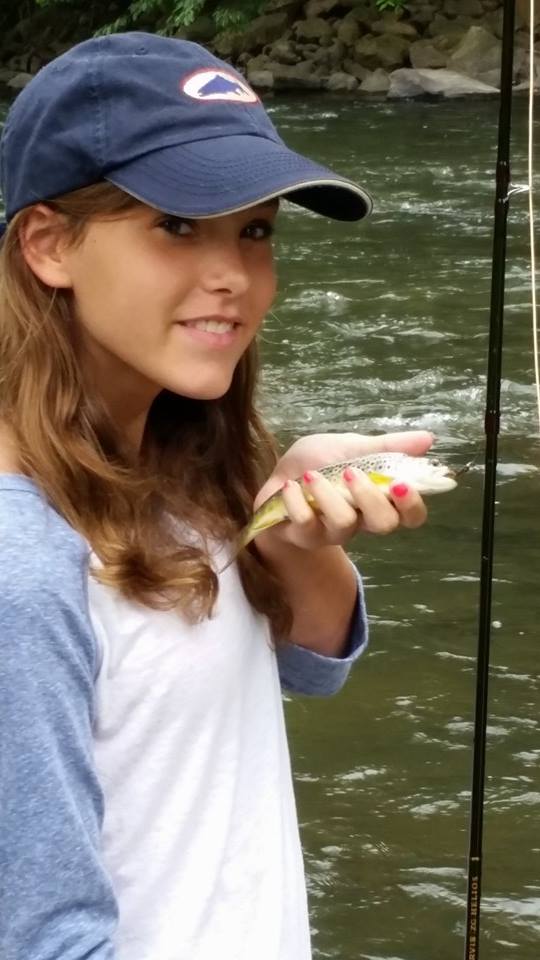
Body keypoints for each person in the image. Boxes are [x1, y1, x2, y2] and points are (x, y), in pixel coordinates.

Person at [0, 32, 432, 960]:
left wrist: (288, 533)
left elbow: (313, 663)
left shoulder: (182, 457)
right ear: (49, 245)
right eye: (176, 226)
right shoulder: (20, 566)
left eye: (256, 230)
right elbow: (40, 938)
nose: (234, 274)